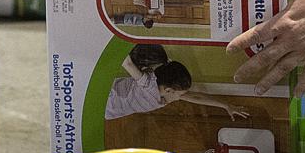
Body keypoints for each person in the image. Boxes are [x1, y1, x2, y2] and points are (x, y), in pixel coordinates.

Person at [105, 48, 249, 121]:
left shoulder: (166, 94)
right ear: (168, 90)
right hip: (105, 99)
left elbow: (197, 97)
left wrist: (225, 105)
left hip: (108, 112)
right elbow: (127, 63)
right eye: (179, 94)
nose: (182, 96)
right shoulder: (148, 84)